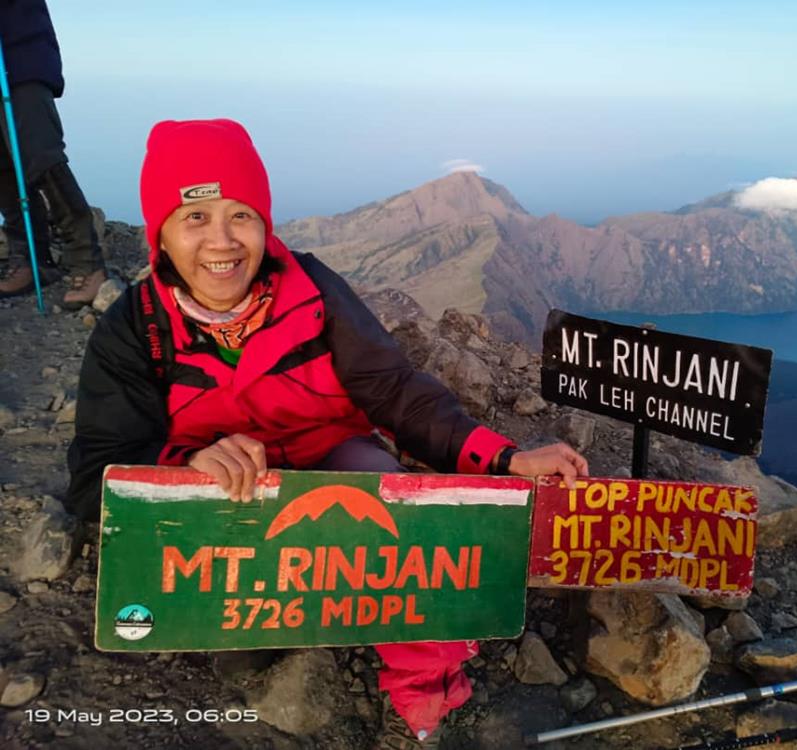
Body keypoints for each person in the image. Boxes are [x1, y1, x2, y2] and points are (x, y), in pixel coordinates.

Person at [66, 118, 588, 749]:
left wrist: (503, 459)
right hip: (223, 496)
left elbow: (393, 391)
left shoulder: (311, 289)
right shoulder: (134, 328)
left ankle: (419, 706)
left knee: (406, 524)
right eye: (195, 218)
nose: (222, 241)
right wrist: (186, 464)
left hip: (329, 456)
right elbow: (98, 474)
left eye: (242, 215)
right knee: (245, 653)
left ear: (264, 224)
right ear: (162, 235)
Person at [0, 0, 107, 306]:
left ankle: (88, 261)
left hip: (20, 58)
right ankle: (32, 258)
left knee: (42, 159)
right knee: (4, 169)